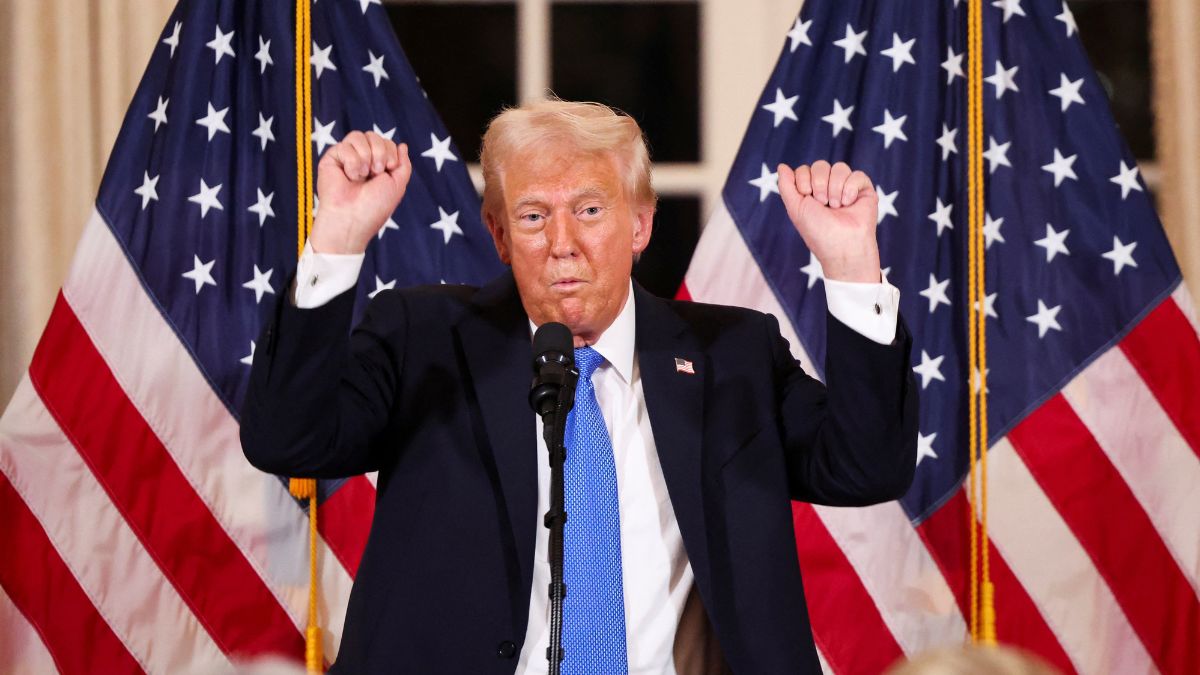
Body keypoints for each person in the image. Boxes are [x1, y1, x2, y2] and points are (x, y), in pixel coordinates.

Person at [241, 99, 918, 674]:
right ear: (500, 237)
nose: (561, 242)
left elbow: (865, 466)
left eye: (590, 210)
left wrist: (852, 263)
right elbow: (288, 438)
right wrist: (338, 236)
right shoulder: (425, 339)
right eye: (533, 216)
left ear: (641, 225)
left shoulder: (732, 355)